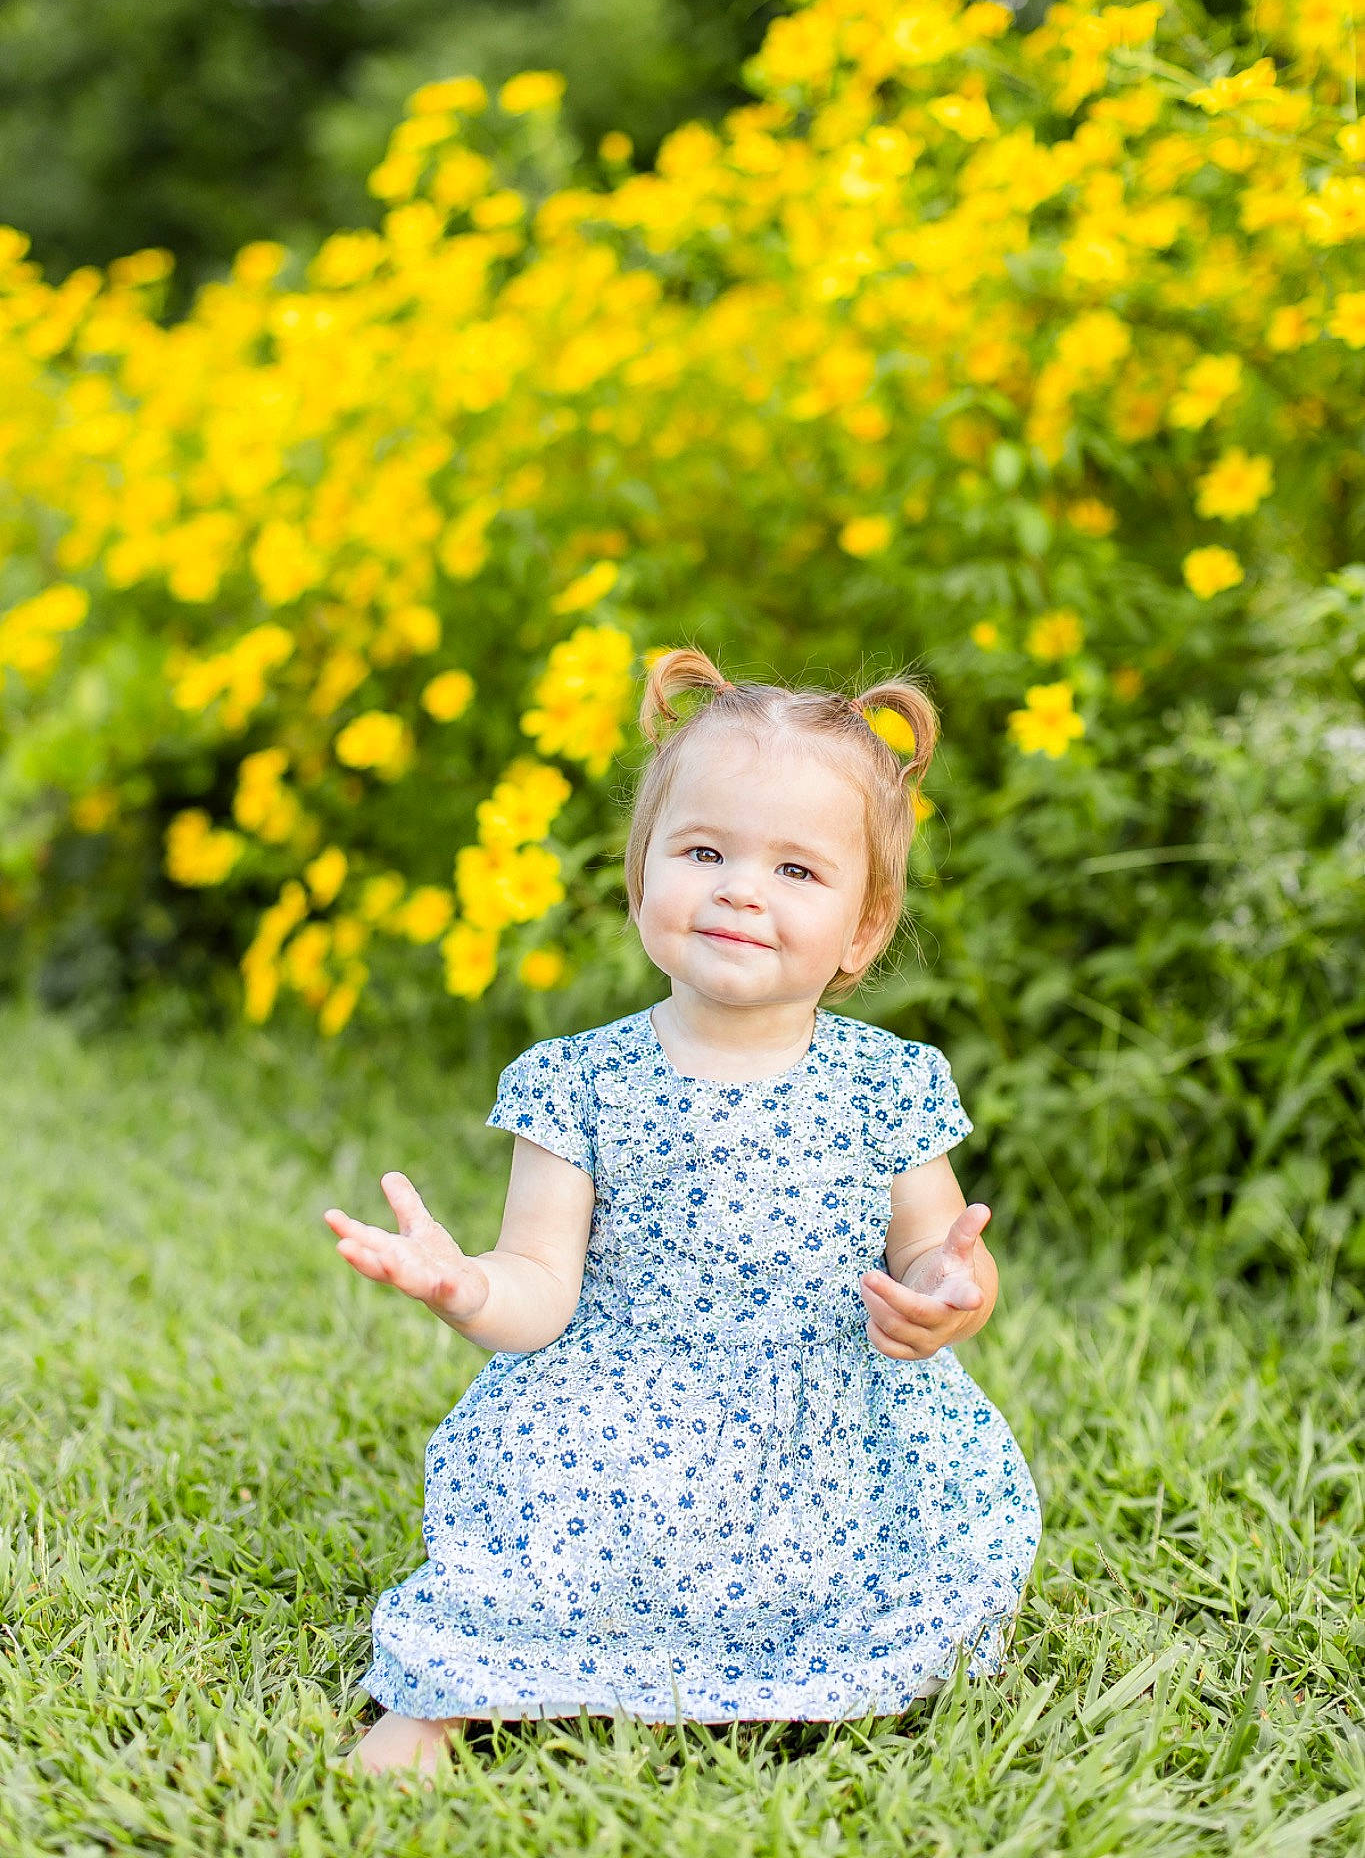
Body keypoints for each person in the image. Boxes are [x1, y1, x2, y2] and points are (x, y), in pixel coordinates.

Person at [324, 646, 1042, 1776]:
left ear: (863, 927)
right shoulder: (579, 1081)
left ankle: (797, 1670)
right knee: (526, 1545)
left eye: (798, 870)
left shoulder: (885, 1084)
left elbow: (932, 1247)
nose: (741, 888)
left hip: (830, 1424)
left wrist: (952, 1292)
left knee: (916, 1553)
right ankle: (445, 1693)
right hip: (619, 1419)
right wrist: (466, 1286)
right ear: (641, 874)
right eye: (703, 850)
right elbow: (538, 1290)